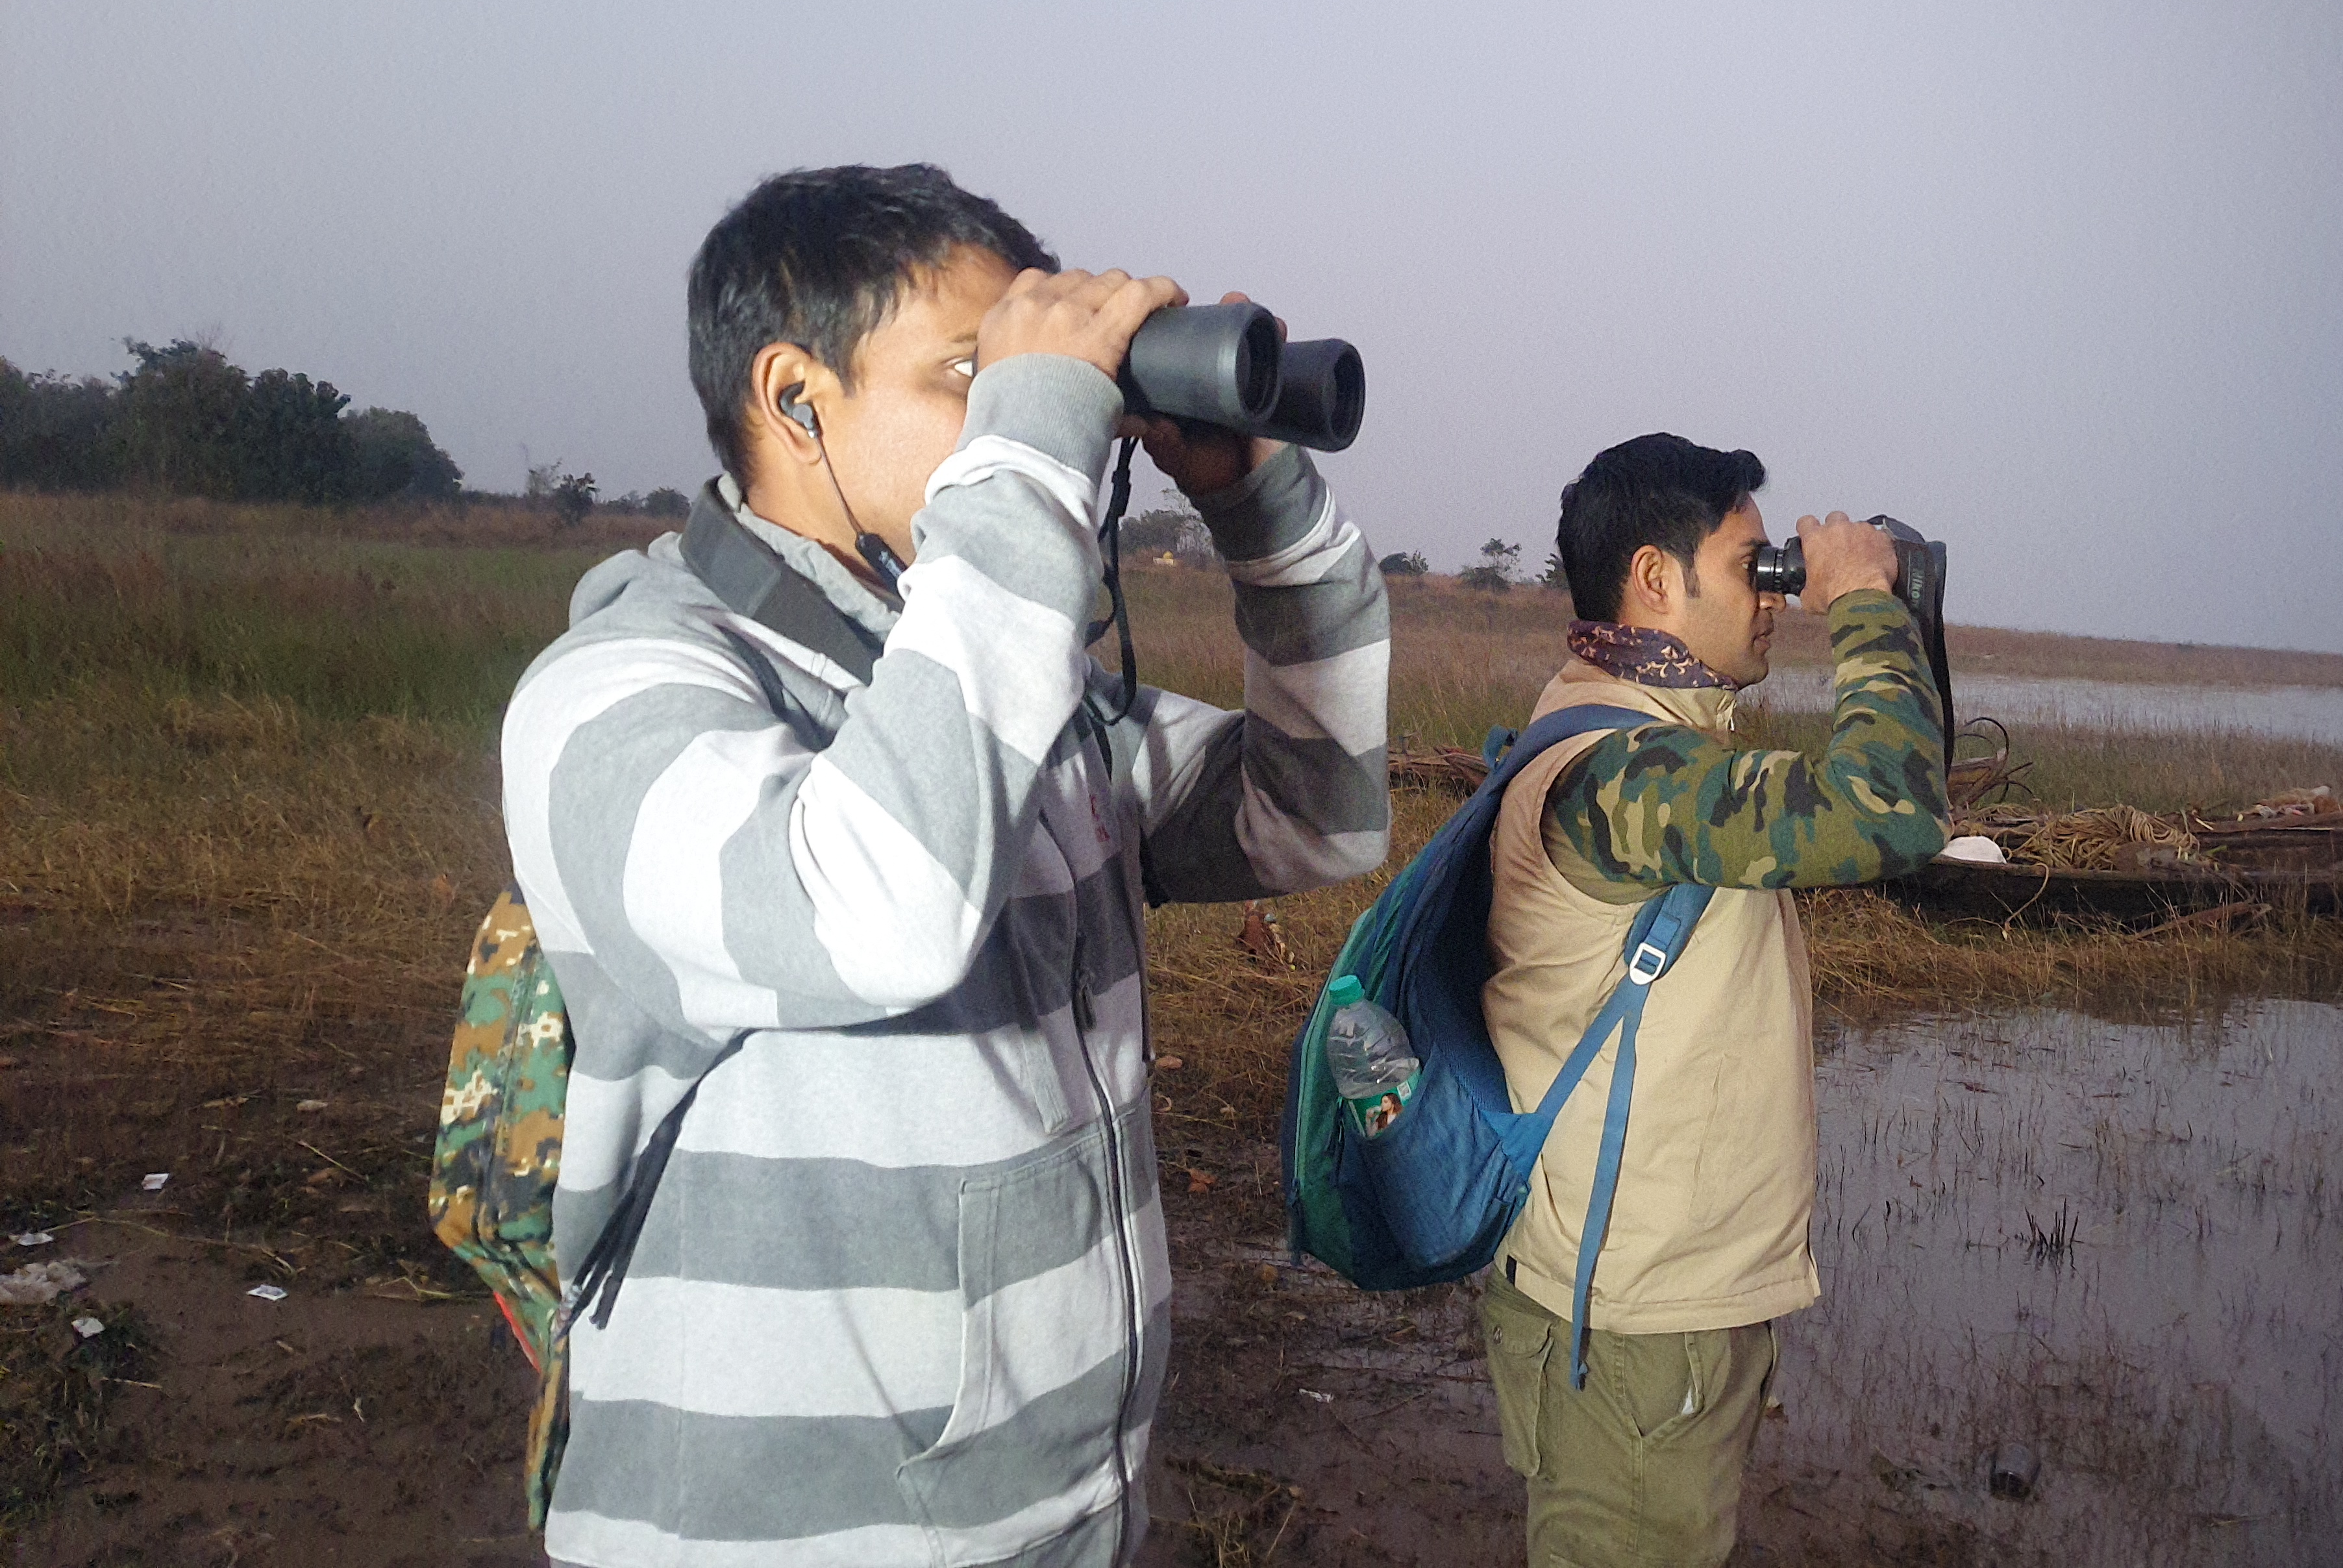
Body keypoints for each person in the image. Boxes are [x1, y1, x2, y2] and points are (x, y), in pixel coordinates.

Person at [501, 164, 1391, 1568]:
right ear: (795, 398)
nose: (1034, 428)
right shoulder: (614, 695)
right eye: (967, 380)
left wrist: (1261, 510)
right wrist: (1031, 440)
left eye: (1029, 389)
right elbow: (878, 911)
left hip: (1061, 1515)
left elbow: (1312, 815)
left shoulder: (1004, 684)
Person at [1476, 432, 1948, 1566]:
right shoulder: (1614, 773)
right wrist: (1866, 607)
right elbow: (1887, 812)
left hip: (1658, 1299)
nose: (1776, 595)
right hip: (1636, 1322)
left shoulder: (1643, 737)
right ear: (1655, 580)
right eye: (1755, 567)